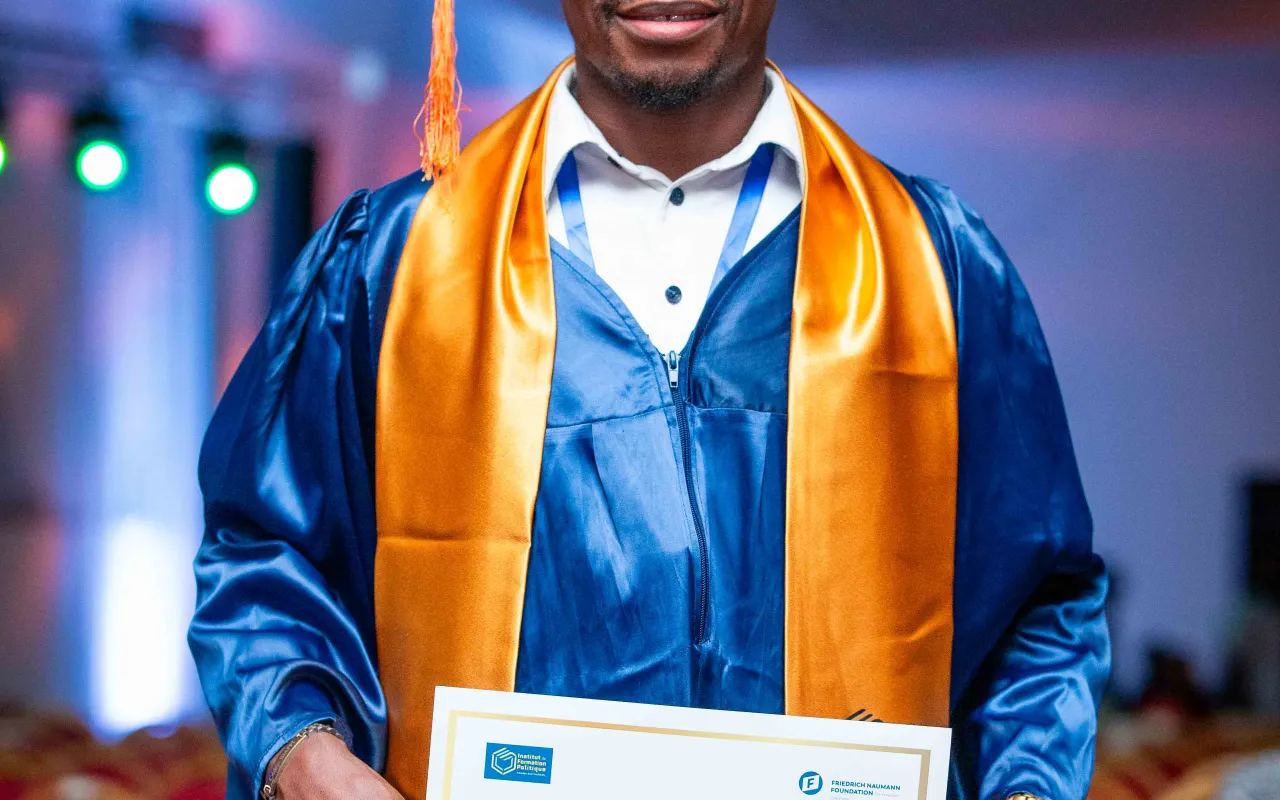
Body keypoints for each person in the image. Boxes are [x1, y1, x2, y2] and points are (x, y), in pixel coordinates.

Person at [188, 1, 1111, 799]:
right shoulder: (394, 263)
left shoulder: (931, 269)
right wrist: (301, 753)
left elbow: (1036, 610)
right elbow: (267, 559)